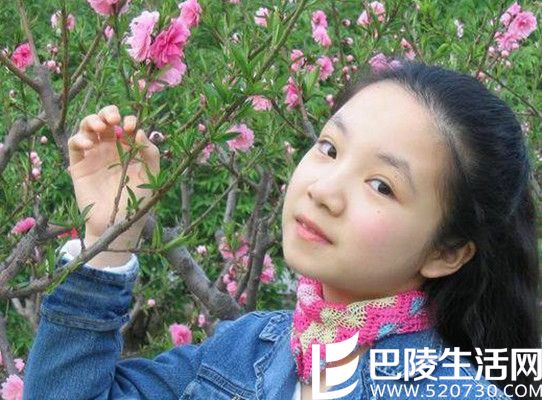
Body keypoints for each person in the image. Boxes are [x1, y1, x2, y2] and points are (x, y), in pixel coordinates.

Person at [23, 60, 540, 400]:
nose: (324, 189)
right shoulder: (245, 349)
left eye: (382, 185)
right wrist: (109, 237)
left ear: (447, 253)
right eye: (329, 148)